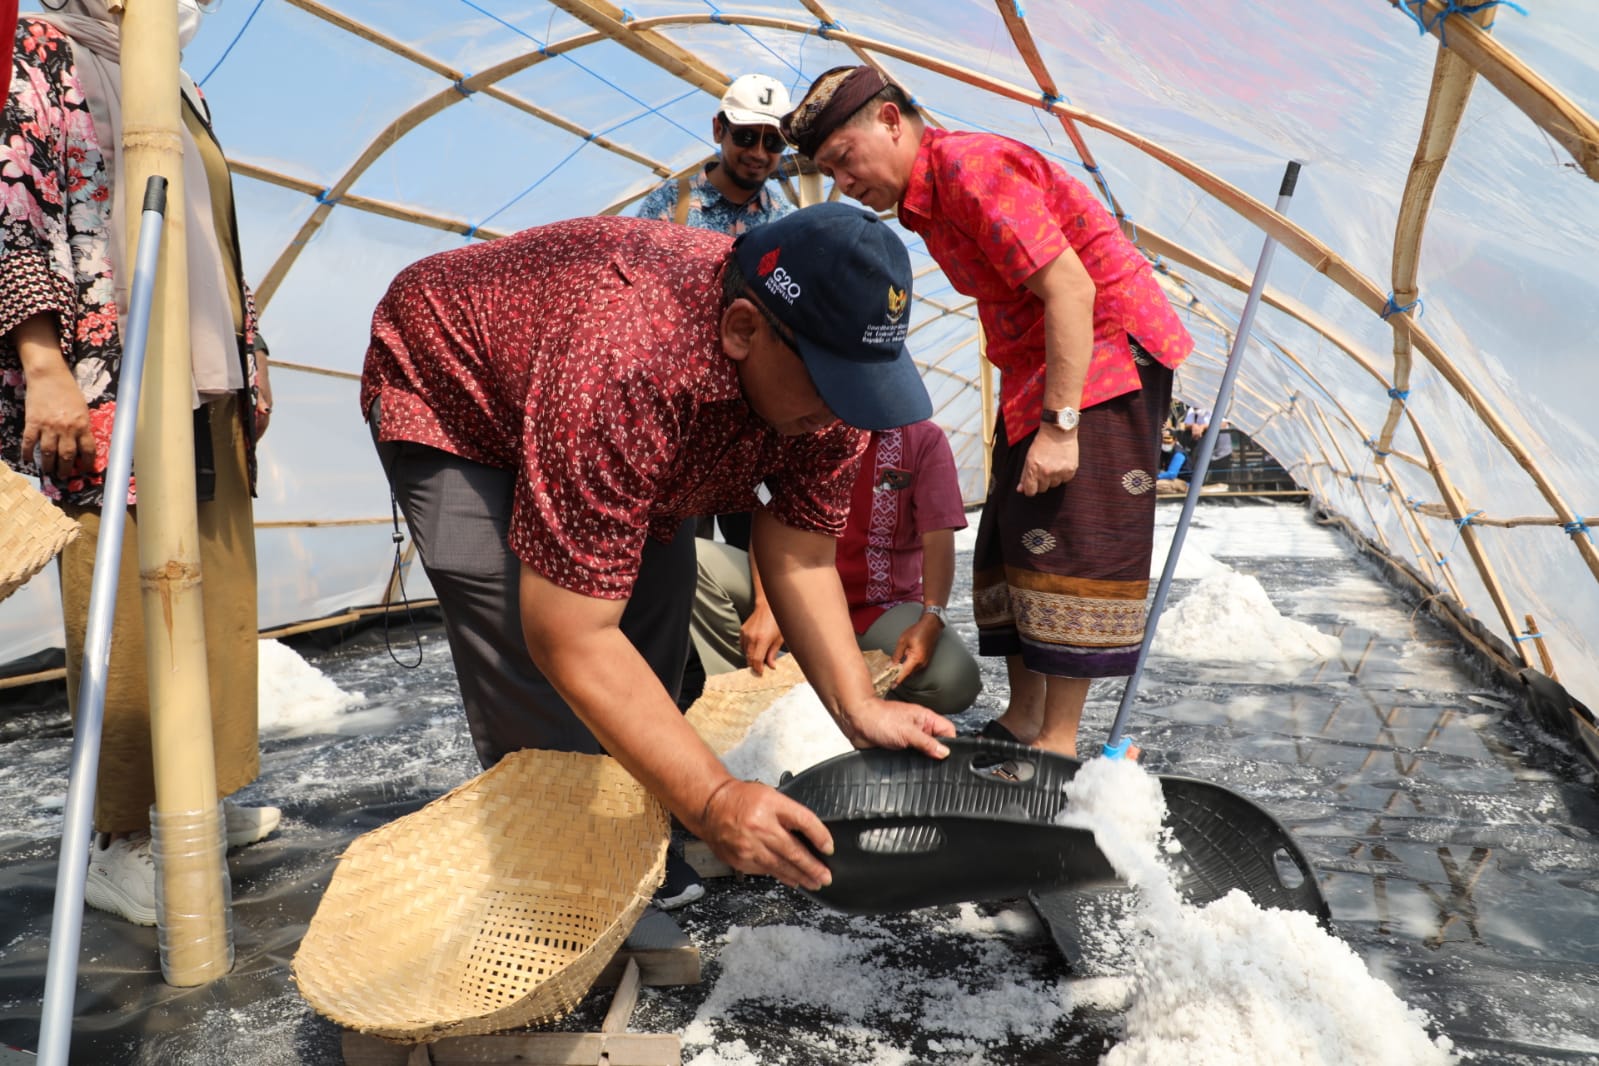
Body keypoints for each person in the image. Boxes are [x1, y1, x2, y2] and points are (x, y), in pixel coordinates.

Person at [359, 202, 955, 896]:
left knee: (653, 624)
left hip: (586, 407)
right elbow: (570, 636)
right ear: (742, 329)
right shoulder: (626, 357)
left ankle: (637, 826)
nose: (844, 413)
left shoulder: (834, 391)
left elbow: (801, 555)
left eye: (864, 385)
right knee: (523, 649)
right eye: (830, 384)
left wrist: (859, 706)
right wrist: (712, 801)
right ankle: (570, 876)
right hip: (457, 401)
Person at [783, 66, 1194, 758]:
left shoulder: (971, 169)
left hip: (1099, 356)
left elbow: (1069, 289)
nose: (842, 185)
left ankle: (1057, 743)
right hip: (1033, 365)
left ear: (889, 121)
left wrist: (1062, 429)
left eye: (843, 162)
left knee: (1072, 535)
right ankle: (1024, 718)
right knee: (1013, 536)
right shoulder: (927, 200)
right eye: (827, 172)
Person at [0, 0, 279, 926]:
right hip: (102, 363)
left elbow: (215, 234)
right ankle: (125, 836)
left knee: (214, 585)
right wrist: (43, 365)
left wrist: (253, 352)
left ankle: (195, 795)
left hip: (203, 370)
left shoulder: (180, 79)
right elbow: (13, 206)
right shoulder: (43, 49)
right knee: (122, 591)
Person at [692, 420, 981, 716]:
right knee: (698, 561)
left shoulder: (923, 439)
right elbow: (769, 516)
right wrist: (768, 604)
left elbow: (938, 536)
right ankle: (745, 697)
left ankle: (833, 697)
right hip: (793, 591)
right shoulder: (803, 426)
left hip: (879, 607)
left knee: (955, 682)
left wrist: (932, 616)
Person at [635, 73, 793, 240]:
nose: (758, 153)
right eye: (745, 137)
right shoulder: (668, 202)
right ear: (718, 130)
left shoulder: (787, 223)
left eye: (773, 142)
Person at [1182, 404, 1233, 484]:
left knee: (1220, 480)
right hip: (1203, 451)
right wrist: (1193, 426)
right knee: (1199, 479)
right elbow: (1186, 424)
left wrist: (1203, 427)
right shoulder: (1192, 409)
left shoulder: (1218, 405)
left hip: (1221, 452)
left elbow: (1223, 424)